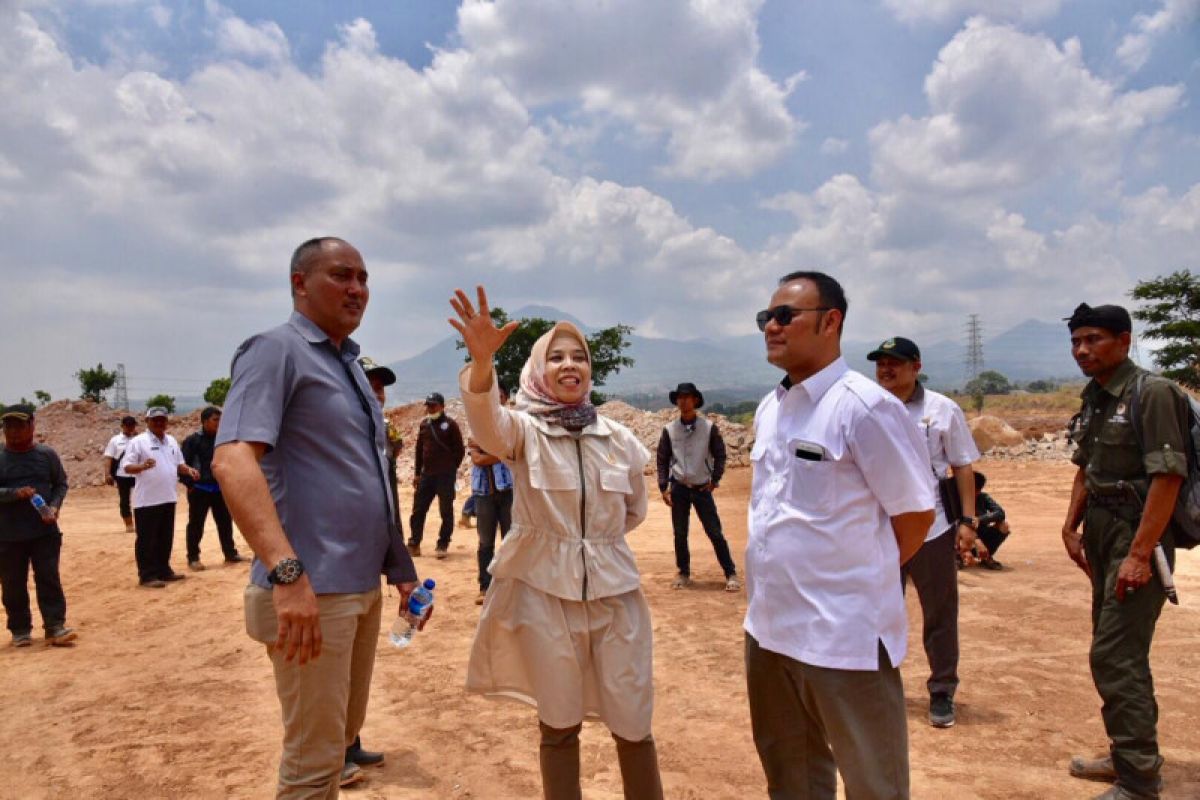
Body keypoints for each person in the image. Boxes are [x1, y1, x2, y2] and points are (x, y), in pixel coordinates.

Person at [212, 236, 420, 796]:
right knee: (311, 765)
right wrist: (286, 573)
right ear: (299, 283)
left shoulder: (350, 365)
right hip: (310, 594)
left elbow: (367, 478)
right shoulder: (274, 350)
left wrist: (398, 567)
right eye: (340, 275)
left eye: (363, 277)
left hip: (357, 589)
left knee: (336, 747)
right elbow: (233, 461)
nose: (357, 289)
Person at [451, 286, 664, 799]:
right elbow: (487, 423)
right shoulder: (523, 433)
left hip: (616, 597)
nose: (571, 365)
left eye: (579, 358)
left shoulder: (620, 440)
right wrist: (482, 363)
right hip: (546, 598)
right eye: (557, 357)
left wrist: (593, 545)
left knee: (633, 717)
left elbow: (632, 511)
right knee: (559, 719)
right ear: (537, 371)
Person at [745, 271, 934, 800]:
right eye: (767, 318)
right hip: (770, 628)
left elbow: (915, 514)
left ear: (832, 322)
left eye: (786, 316)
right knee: (791, 776)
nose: (772, 327)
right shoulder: (772, 407)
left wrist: (859, 578)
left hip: (842, 636)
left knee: (874, 783)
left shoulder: (864, 407)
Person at [1060, 303, 1189, 800]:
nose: (1082, 350)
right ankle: (1127, 753)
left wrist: (1139, 554)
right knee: (1117, 651)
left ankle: (1139, 782)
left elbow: (1168, 476)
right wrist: (1069, 526)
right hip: (1101, 530)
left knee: (1115, 655)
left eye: (1093, 339)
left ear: (1125, 340)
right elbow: (1086, 467)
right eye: (1076, 342)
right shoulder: (1097, 396)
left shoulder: (1151, 393)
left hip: (1138, 535)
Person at [870, 335, 981, 729]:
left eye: (894, 363)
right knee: (878, 611)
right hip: (879, 531)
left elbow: (962, 466)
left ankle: (942, 691)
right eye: (880, 363)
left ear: (916, 366)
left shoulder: (942, 410)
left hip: (932, 529)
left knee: (939, 612)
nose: (886, 370)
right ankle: (879, 690)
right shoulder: (867, 407)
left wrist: (968, 522)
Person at [0, 404, 76, 647]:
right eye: (8, 426)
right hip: (8, 534)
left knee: (48, 578)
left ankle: (55, 626)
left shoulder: (46, 455)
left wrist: (54, 507)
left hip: (44, 532)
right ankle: (20, 630)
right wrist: (14, 493)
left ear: (32, 425)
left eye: (19, 425)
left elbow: (61, 484)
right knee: (13, 583)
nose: (13, 431)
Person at [655, 382, 739, 592]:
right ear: (676, 401)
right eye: (680, 398)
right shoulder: (669, 430)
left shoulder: (709, 428)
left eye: (688, 397)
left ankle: (730, 573)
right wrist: (663, 486)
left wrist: (715, 479)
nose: (683, 401)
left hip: (702, 488)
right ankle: (683, 573)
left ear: (695, 401)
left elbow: (720, 454)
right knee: (680, 533)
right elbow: (662, 459)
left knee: (714, 532)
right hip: (679, 488)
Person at [121, 407, 199, 588]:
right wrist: (142, 466)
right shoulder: (138, 442)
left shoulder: (171, 441)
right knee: (147, 539)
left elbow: (179, 464)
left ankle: (164, 570)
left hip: (168, 497)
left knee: (165, 536)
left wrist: (189, 470)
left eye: (162, 420)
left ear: (167, 422)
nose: (159, 423)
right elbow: (127, 467)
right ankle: (147, 575)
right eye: (155, 420)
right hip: (147, 500)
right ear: (147, 421)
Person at [181, 406, 243, 570]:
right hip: (199, 489)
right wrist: (190, 484)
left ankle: (230, 554)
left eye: (221, 420)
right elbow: (181, 464)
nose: (219, 423)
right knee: (196, 524)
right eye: (216, 420)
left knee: (225, 522)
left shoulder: (223, 441)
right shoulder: (192, 441)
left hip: (219, 488)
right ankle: (193, 558)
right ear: (204, 421)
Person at [470, 386, 514, 605]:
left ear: (506, 399)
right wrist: (500, 451)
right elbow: (477, 459)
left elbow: (513, 452)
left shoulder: (514, 425)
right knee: (485, 541)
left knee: (511, 541)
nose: (496, 400)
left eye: (501, 396)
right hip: (484, 493)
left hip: (508, 491)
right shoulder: (475, 425)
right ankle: (485, 586)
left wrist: (486, 448)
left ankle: (509, 587)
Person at [407, 391, 465, 559]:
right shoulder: (424, 425)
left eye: (433, 405)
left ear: (442, 406)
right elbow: (419, 450)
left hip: (445, 476)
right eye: (429, 406)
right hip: (427, 476)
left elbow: (459, 450)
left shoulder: (451, 425)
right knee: (418, 510)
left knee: (445, 511)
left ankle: (443, 544)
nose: (430, 409)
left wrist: (452, 468)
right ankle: (414, 543)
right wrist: (417, 473)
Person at [358, 356, 404, 536]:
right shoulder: (340, 434)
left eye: (379, 388)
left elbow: (397, 444)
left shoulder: (385, 426)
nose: (376, 394)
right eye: (368, 388)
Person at [103, 415, 138, 532]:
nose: (130, 428)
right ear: (122, 426)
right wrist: (107, 474)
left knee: (139, 499)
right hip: (122, 475)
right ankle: (129, 525)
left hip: (138, 473)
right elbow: (109, 457)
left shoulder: (139, 439)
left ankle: (141, 523)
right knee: (124, 500)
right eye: (127, 426)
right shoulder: (115, 441)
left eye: (132, 426)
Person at [972, 472, 1009, 570]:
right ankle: (957, 557)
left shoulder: (983, 498)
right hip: (964, 538)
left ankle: (986, 557)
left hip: (981, 533)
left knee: (1003, 526)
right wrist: (976, 540)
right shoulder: (956, 498)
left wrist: (980, 519)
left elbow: (1000, 513)